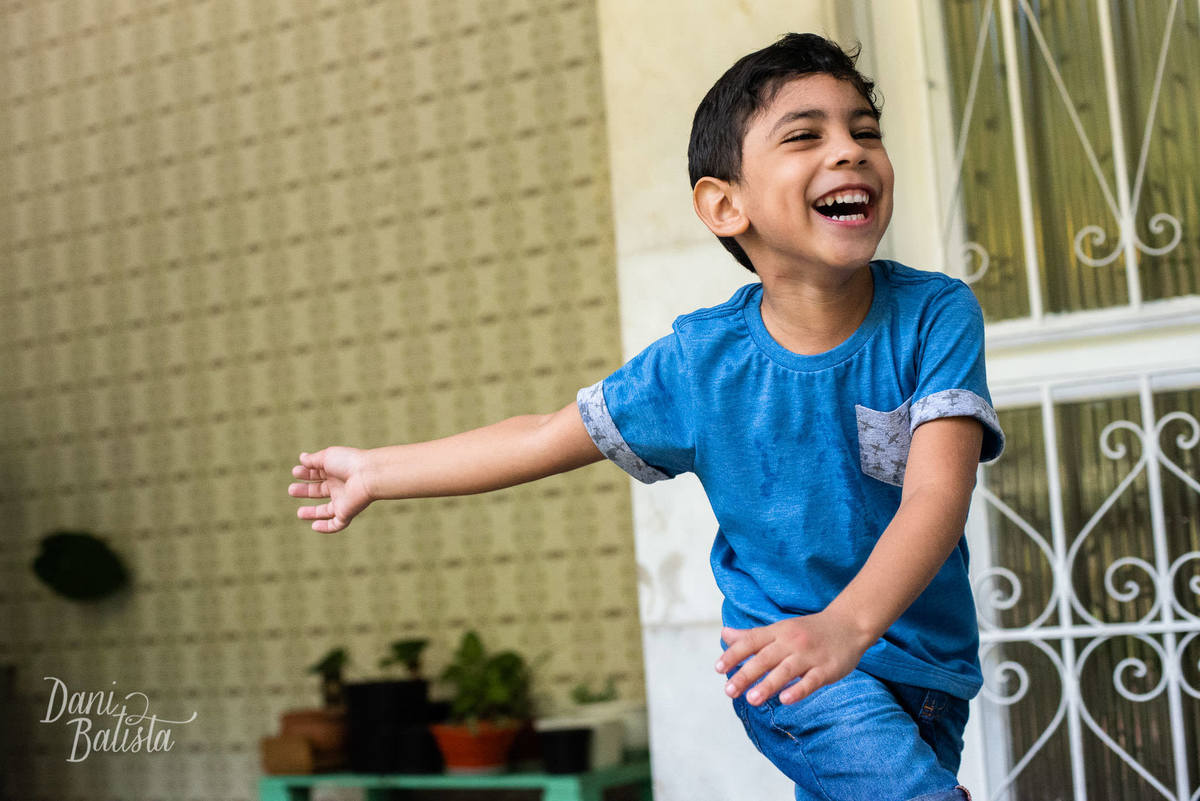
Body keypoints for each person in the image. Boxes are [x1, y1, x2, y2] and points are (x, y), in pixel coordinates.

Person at [288, 32, 1002, 801]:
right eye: (806, 135)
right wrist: (378, 470)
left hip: (928, 669)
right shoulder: (698, 365)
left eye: (865, 131)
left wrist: (849, 625)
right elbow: (539, 435)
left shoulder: (935, 315)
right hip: (788, 666)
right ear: (725, 205)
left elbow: (937, 492)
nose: (850, 151)